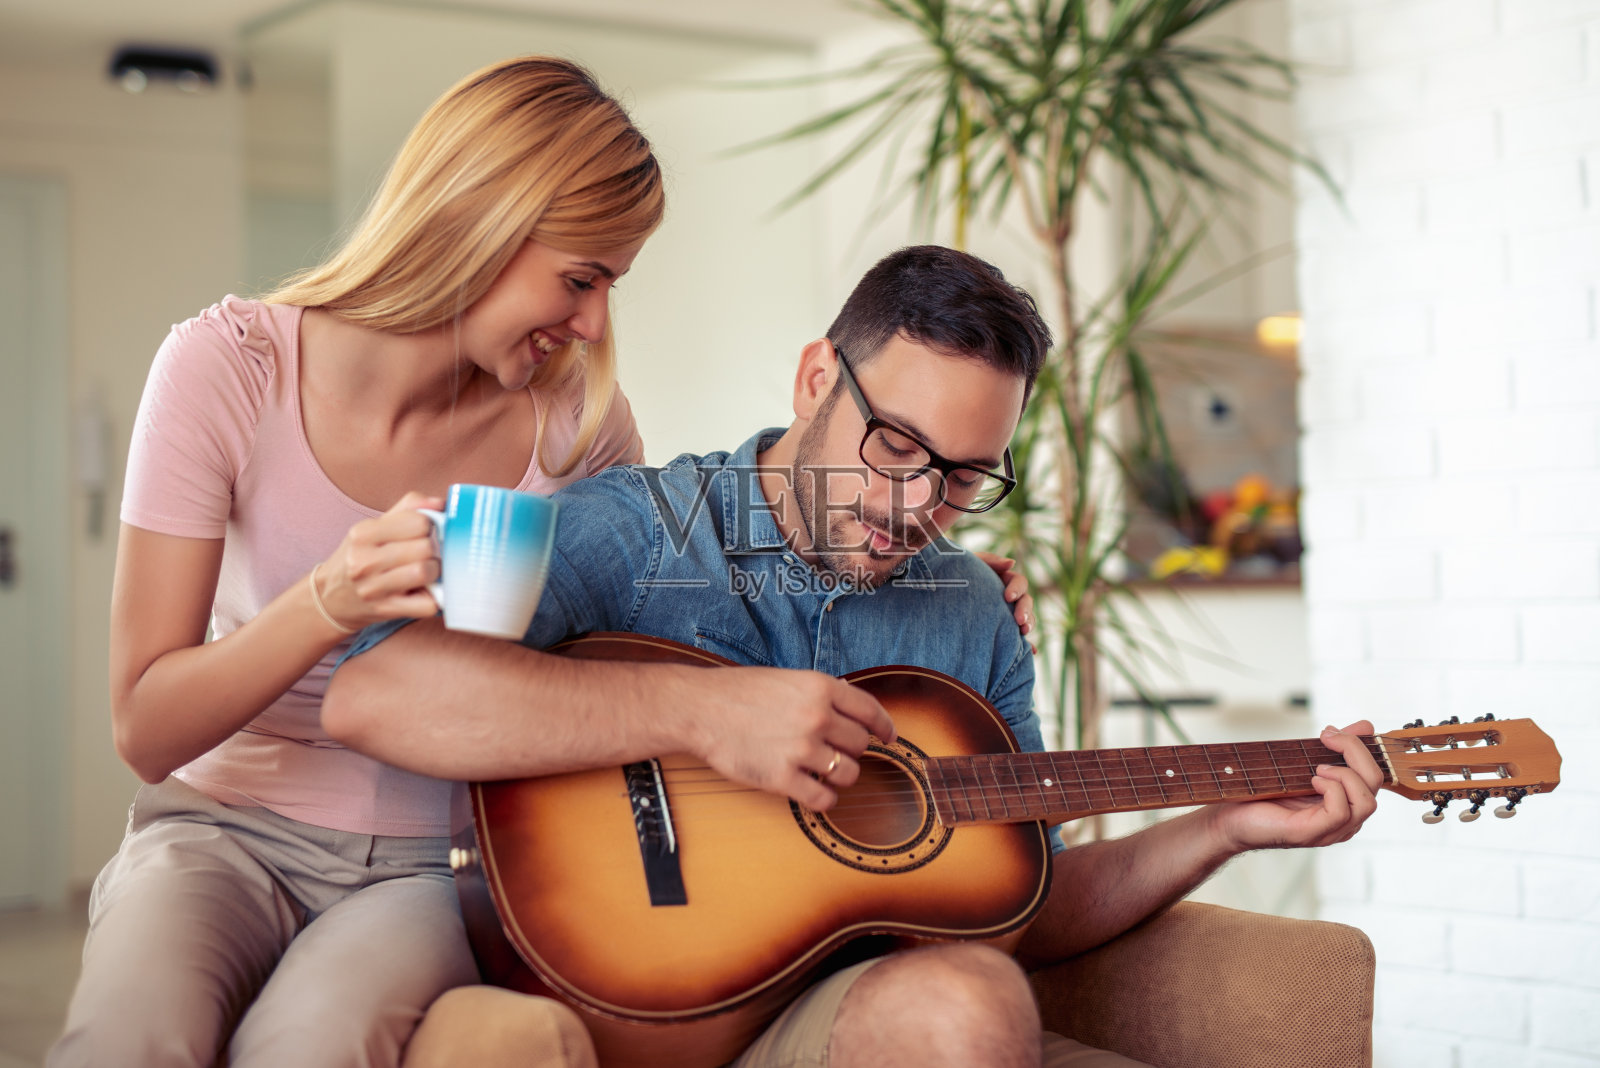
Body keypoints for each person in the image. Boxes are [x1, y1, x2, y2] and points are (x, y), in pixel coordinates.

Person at [323, 245, 1383, 1068]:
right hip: (634, 1000)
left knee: (969, 992)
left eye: (966, 476)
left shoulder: (969, 611)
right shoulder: (641, 532)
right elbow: (378, 694)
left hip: (843, 1020)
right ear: (815, 377)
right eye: (897, 444)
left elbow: (1018, 900)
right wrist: (701, 717)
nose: (919, 504)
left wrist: (1223, 828)